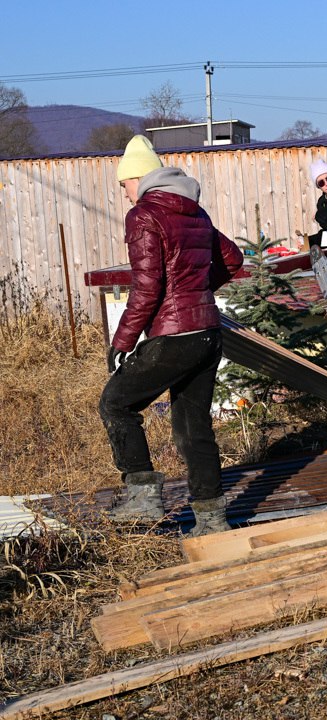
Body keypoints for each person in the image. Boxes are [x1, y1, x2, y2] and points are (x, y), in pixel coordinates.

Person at [98, 135, 244, 536]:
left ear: (139, 178)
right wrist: (197, 292)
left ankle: (143, 495)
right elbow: (233, 259)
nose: (123, 192)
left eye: (123, 183)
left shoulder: (144, 215)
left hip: (175, 336)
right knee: (193, 428)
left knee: (115, 403)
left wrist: (121, 342)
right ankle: (212, 521)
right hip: (207, 335)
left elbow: (147, 288)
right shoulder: (194, 211)